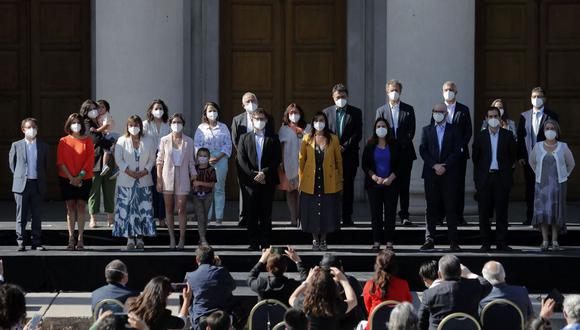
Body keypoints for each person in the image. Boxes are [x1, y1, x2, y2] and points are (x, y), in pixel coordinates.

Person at [472, 107, 517, 251]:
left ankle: (501, 242)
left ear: (500, 118)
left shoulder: (508, 135)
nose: (493, 118)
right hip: (485, 178)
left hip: (501, 178)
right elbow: (476, 158)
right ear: (486, 118)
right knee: (484, 213)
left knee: (502, 212)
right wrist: (479, 179)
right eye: (490, 116)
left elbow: (512, 157)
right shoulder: (480, 136)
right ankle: (485, 242)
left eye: (495, 116)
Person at [419, 104, 462, 251]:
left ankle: (453, 241)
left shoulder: (454, 130)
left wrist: (445, 166)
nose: (438, 113)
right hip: (431, 174)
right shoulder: (426, 130)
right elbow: (423, 150)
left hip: (449, 174)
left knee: (450, 207)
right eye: (435, 111)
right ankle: (429, 239)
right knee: (430, 208)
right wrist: (434, 165)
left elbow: (457, 151)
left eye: (441, 112)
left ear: (446, 113)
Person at [236, 108, 281, 250]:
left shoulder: (273, 138)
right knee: (251, 212)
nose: (259, 122)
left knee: (266, 213)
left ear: (266, 121)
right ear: (252, 120)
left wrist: (264, 173)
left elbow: (277, 159)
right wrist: (253, 175)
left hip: (268, 181)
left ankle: (266, 243)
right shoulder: (244, 137)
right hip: (250, 182)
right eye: (257, 119)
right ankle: (254, 242)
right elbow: (241, 159)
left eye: (262, 119)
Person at [299, 112, 343, 251]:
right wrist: (301, 180)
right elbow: (301, 160)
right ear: (312, 123)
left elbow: (338, 161)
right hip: (310, 180)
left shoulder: (334, 139)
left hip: (328, 180)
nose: (319, 122)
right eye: (316, 120)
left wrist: (340, 179)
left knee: (326, 209)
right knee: (312, 210)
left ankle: (323, 239)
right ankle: (314, 239)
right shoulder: (307, 138)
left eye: (322, 120)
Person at [375, 79, 417, 227]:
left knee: (404, 185)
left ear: (400, 92)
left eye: (397, 90)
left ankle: (404, 215)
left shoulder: (408, 109)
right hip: (387, 154)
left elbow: (411, 131)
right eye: (392, 90)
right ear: (387, 92)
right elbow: (379, 131)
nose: (394, 92)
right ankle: (388, 215)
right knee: (387, 185)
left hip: (405, 153)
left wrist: (400, 146)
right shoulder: (381, 110)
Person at [529, 119, 575, 251]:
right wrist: (538, 174)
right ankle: (544, 241)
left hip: (558, 185)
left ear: (557, 131)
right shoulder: (537, 146)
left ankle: (554, 241)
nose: (550, 131)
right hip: (542, 186)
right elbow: (532, 161)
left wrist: (564, 175)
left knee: (556, 213)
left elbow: (571, 163)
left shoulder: (563, 146)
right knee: (543, 213)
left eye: (552, 128)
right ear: (544, 131)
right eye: (547, 128)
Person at [113, 115, 157, 250]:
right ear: (127, 126)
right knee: (128, 210)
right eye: (131, 125)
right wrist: (130, 172)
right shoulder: (121, 140)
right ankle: (130, 238)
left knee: (142, 211)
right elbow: (118, 160)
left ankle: (140, 238)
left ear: (141, 126)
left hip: (144, 181)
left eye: (136, 125)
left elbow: (152, 159)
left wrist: (144, 171)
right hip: (126, 182)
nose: (134, 128)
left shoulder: (148, 140)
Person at [231, 92, 275, 227]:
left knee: (262, 192)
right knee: (244, 189)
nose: (251, 103)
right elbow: (235, 140)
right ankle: (244, 216)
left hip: (263, 161)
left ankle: (262, 219)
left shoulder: (267, 118)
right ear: (243, 105)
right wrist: (244, 157)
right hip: (244, 161)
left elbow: (271, 137)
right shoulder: (237, 120)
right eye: (248, 101)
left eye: (253, 100)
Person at [517, 87, 559, 225]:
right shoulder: (524, 116)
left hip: (546, 158)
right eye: (534, 96)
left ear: (545, 99)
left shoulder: (551, 115)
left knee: (545, 189)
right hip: (529, 159)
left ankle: (544, 217)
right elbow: (520, 137)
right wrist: (521, 156)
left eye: (539, 96)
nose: (536, 99)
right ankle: (530, 216)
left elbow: (557, 136)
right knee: (530, 189)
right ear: (530, 98)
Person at [322, 83, 362, 226]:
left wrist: (344, 146)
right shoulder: (326, 113)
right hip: (331, 156)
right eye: (338, 97)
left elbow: (358, 134)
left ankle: (347, 216)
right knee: (331, 187)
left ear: (347, 97)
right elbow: (323, 133)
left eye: (343, 96)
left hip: (349, 155)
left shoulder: (356, 112)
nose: (341, 99)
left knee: (348, 187)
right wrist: (334, 147)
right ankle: (332, 216)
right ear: (333, 98)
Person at [156, 113, 197, 249]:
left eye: (179, 122)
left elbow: (192, 162)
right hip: (167, 176)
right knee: (168, 208)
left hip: (183, 176)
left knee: (181, 208)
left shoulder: (189, 141)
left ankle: (182, 239)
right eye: (174, 122)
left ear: (183, 124)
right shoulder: (164, 140)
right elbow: (159, 161)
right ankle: (172, 239)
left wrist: (194, 177)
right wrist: (159, 179)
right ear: (170, 124)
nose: (176, 124)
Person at [418, 255, 491, 330]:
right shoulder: (474, 287)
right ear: (460, 272)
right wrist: (469, 274)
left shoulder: (430, 294)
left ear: (439, 274)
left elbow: (420, 322)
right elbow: (487, 284)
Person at [9, 117, 49, 251]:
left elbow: (45, 165)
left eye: (34, 127)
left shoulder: (43, 146)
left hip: (37, 184)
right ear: (23, 129)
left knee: (37, 216)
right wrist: (21, 176)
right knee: (21, 216)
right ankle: (21, 241)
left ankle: (36, 242)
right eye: (29, 127)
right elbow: (12, 165)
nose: (32, 130)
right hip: (21, 185)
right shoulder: (16, 145)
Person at [57, 112, 95, 251]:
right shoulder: (63, 141)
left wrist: (79, 177)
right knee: (70, 207)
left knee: (81, 206)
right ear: (69, 125)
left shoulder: (88, 141)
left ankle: (80, 238)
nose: (76, 125)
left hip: (84, 178)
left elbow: (90, 161)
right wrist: (71, 178)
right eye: (73, 123)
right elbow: (60, 162)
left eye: (78, 123)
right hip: (66, 178)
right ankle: (71, 237)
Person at [362, 118, 401, 250]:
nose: (381, 128)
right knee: (376, 214)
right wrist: (374, 177)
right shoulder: (370, 145)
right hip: (374, 186)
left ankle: (389, 242)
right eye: (378, 126)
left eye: (383, 126)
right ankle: (376, 241)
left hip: (391, 184)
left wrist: (391, 177)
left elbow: (400, 164)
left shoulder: (394, 144)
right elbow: (365, 165)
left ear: (388, 128)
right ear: (375, 129)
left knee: (390, 214)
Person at [194, 102, 232, 226]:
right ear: (205, 113)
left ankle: (219, 218)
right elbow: (197, 145)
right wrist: (206, 158)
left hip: (221, 160)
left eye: (214, 110)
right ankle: (207, 217)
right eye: (209, 111)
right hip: (205, 160)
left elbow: (228, 144)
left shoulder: (223, 127)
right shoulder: (201, 128)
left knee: (219, 188)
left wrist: (219, 156)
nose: (212, 113)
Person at [288, 266, 358, 330]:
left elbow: (292, 298)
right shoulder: (335, 306)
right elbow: (353, 300)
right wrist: (343, 280)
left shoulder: (303, 304)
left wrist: (306, 282)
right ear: (332, 287)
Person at [441, 81, 472, 226]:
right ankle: (441, 215)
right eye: (446, 90)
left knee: (459, 185)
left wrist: (459, 147)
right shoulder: (438, 109)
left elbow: (468, 132)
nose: (449, 92)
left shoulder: (463, 110)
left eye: (451, 90)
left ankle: (459, 216)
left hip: (459, 155)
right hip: (443, 155)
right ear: (443, 92)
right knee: (442, 185)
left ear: (456, 92)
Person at [185, 245, 236, 330]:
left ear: (197, 259)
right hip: (220, 319)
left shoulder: (190, 276)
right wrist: (219, 266)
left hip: (200, 320)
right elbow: (233, 286)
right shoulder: (222, 271)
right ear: (214, 259)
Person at [278, 103, 311, 226]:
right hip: (288, 164)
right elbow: (280, 146)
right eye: (291, 113)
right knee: (291, 191)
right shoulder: (284, 129)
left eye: (296, 112)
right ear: (287, 115)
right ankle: (293, 218)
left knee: (303, 193)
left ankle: (302, 218)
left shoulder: (307, 128)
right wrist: (280, 162)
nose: (294, 115)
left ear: (301, 114)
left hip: (305, 165)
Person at [362, 250, 412, 330]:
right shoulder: (403, 284)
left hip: (374, 326)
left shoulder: (370, 285)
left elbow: (369, 309)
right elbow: (407, 306)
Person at [86, 100, 117, 229]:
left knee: (109, 190)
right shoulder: (87, 123)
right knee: (94, 190)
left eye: (100, 108)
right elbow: (94, 138)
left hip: (107, 159)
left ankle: (110, 218)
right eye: (96, 108)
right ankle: (93, 219)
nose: (98, 110)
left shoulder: (105, 119)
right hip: (94, 159)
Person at [143, 99, 171, 228]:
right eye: (156, 109)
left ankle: (162, 218)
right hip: (149, 161)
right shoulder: (145, 125)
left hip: (165, 161)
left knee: (162, 190)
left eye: (160, 108)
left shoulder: (168, 125)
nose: (158, 111)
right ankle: (151, 218)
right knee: (151, 190)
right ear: (151, 111)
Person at [319, 253, 364, 330]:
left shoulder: (318, 284)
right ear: (340, 269)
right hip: (349, 323)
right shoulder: (351, 281)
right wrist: (343, 279)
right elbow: (356, 299)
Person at [192, 147, 217, 246]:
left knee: (205, 217)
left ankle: (202, 237)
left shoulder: (211, 169)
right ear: (197, 157)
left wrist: (200, 183)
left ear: (209, 157)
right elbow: (192, 182)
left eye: (205, 156)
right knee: (201, 215)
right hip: (196, 196)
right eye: (200, 156)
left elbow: (212, 184)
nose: (202, 158)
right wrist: (194, 185)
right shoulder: (194, 168)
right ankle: (203, 239)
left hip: (208, 195)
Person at [91, 99, 119, 178]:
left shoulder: (107, 115)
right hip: (108, 134)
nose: (100, 109)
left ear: (107, 109)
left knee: (108, 150)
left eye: (102, 107)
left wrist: (96, 130)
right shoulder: (99, 116)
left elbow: (105, 126)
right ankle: (113, 167)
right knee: (110, 151)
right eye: (98, 107)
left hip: (111, 134)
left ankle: (106, 166)